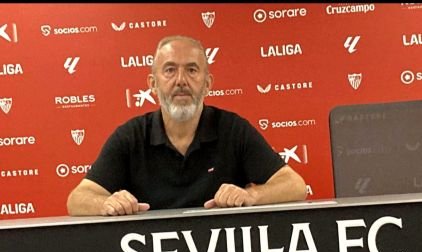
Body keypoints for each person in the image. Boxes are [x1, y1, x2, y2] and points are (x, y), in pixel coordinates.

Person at [67, 35, 307, 216]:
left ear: (207, 83)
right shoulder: (131, 136)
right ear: (152, 83)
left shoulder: (233, 129)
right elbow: (77, 199)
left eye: (192, 70)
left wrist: (251, 196)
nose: (181, 81)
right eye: (170, 70)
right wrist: (107, 203)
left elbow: (295, 186)